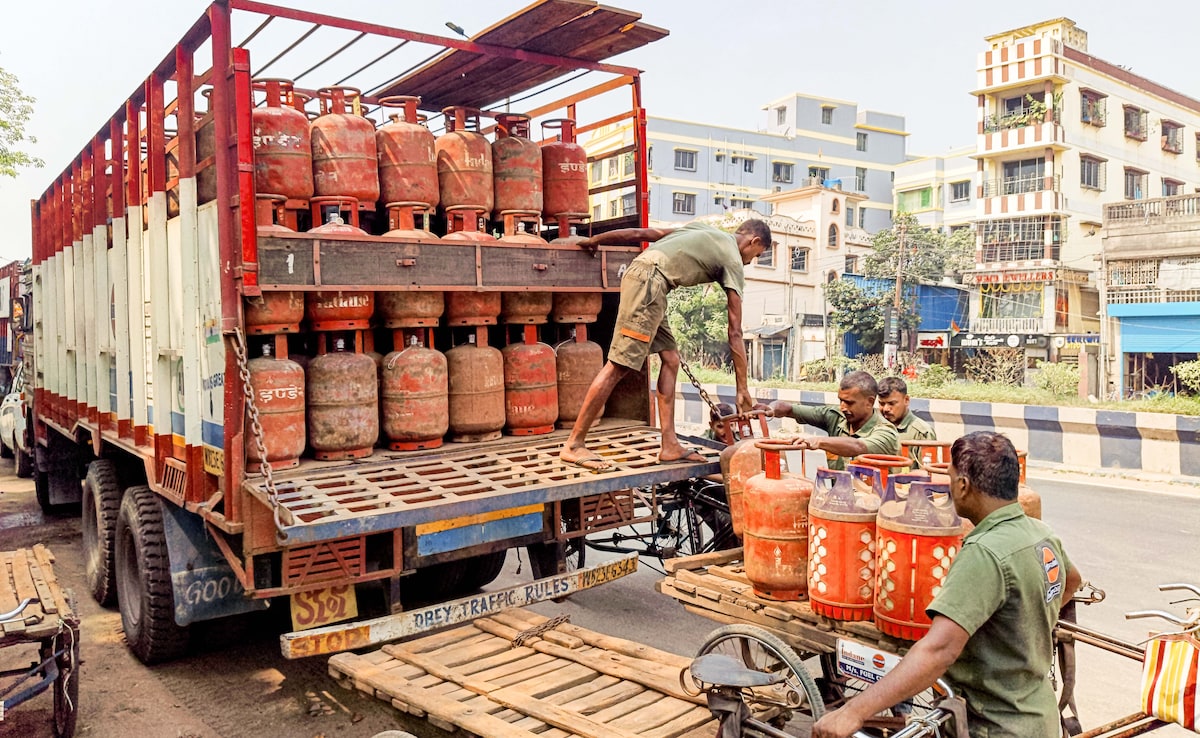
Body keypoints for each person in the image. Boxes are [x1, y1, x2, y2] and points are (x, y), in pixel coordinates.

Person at [812, 431, 1083, 738]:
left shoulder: (984, 551)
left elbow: (938, 650)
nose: (949, 485)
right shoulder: (1040, 532)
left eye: (951, 477)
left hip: (995, 726)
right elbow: (1071, 581)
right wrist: (1019, 620)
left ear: (964, 486)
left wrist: (852, 711)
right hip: (1038, 716)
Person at [559, 219, 771, 471]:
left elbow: (643, 233)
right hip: (650, 283)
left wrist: (597, 240)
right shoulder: (733, 259)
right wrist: (742, 388)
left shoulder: (705, 230)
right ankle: (574, 444)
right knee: (619, 365)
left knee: (670, 359)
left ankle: (669, 445)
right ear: (754, 241)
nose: (750, 262)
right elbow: (735, 332)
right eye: (756, 256)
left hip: (650, 283)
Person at [766, 370, 899, 470]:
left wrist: (818, 441)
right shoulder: (835, 417)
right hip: (838, 499)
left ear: (869, 402)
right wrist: (769, 409)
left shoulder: (886, 433)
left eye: (849, 403)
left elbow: (858, 446)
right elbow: (789, 409)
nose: (843, 407)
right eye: (840, 401)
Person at [877, 375, 936, 467]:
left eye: (891, 403)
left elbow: (928, 474)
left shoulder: (921, 433)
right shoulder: (874, 427)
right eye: (881, 403)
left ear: (906, 400)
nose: (886, 409)